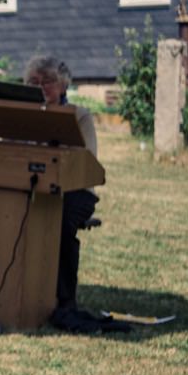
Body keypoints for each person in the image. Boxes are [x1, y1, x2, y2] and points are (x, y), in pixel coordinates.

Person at [25, 54, 107, 331]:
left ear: (63, 85)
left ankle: (64, 300)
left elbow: (87, 160)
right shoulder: (21, 114)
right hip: (31, 184)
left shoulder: (79, 116)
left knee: (59, 224)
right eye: (33, 82)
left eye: (47, 82)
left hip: (75, 190)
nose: (41, 88)